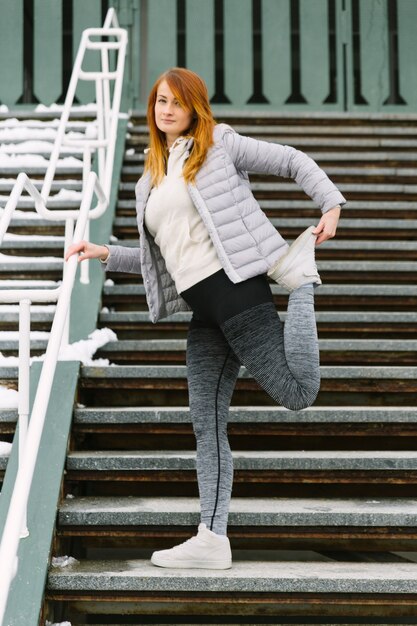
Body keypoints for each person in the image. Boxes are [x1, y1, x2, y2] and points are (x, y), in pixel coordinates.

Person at [65, 67, 346, 571]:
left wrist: (329, 203)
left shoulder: (219, 144)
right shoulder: (150, 176)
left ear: (195, 108)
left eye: (176, 102)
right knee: (205, 422)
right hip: (205, 311)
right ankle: (212, 538)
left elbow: (292, 160)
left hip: (238, 293)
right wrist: (103, 251)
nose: (166, 110)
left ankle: (301, 281)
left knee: (298, 393)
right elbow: (163, 257)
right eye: (159, 102)